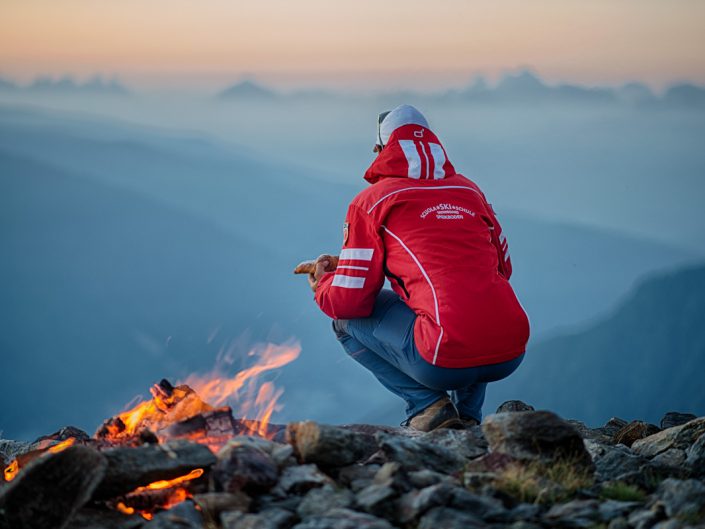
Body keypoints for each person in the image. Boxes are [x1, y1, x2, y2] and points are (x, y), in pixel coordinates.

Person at [308, 104, 530, 431]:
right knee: (469, 292)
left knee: (344, 322)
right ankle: (468, 418)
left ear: (380, 150)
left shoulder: (372, 201)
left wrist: (326, 281)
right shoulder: (469, 191)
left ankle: (428, 406)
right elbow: (501, 268)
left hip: (442, 359)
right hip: (510, 349)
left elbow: (350, 301)